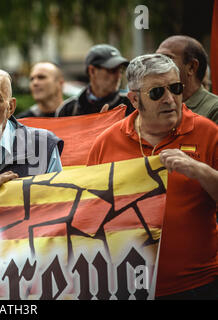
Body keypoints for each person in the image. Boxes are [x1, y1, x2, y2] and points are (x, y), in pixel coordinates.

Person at [86, 53, 218, 299]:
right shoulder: (106, 141)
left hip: (198, 284)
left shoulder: (208, 132)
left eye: (176, 89)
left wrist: (200, 171)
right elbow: (87, 210)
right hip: (127, 286)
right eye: (157, 93)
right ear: (135, 100)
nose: (170, 99)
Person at [56, 44, 134, 117]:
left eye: (120, 70)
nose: (118, 76)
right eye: (112, 70)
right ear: (92, 71)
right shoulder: (68, 110)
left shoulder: (132, 105)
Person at [156, 35, 218, 123]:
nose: (156, 65)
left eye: (166, 59)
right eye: (156, 59)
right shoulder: (155, 106)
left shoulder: (214, 109)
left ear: (191, 67)